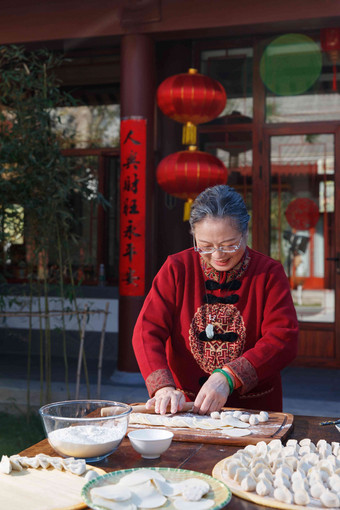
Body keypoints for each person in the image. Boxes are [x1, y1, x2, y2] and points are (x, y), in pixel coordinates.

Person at [132, 185, 299, 415]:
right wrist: (163, 387)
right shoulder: (176, 269)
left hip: (253, 410)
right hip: (185, 406)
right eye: (206, 246)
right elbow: (146, 330)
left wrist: (229, 376)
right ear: (193, 236)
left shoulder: (269, 273)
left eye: (230, 244)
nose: (218, 255)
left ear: (245, 233)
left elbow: (283, 338)